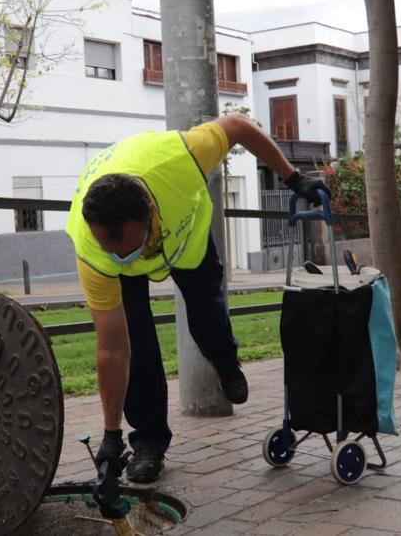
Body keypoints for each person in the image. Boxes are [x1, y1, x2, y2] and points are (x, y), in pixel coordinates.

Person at [67, 115, 329, 484]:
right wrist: (110, 434)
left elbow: (238, 126)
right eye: (114, 251)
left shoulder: (179, 158)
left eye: (130, 249)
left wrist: (293, 178)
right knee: (136, 342)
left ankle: (224, 361)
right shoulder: (93, 252)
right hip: (119, 276)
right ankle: (148, 443)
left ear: (151, 216)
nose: (124, 258)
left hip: (187, 244)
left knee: (206, 316)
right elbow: (112, 349)